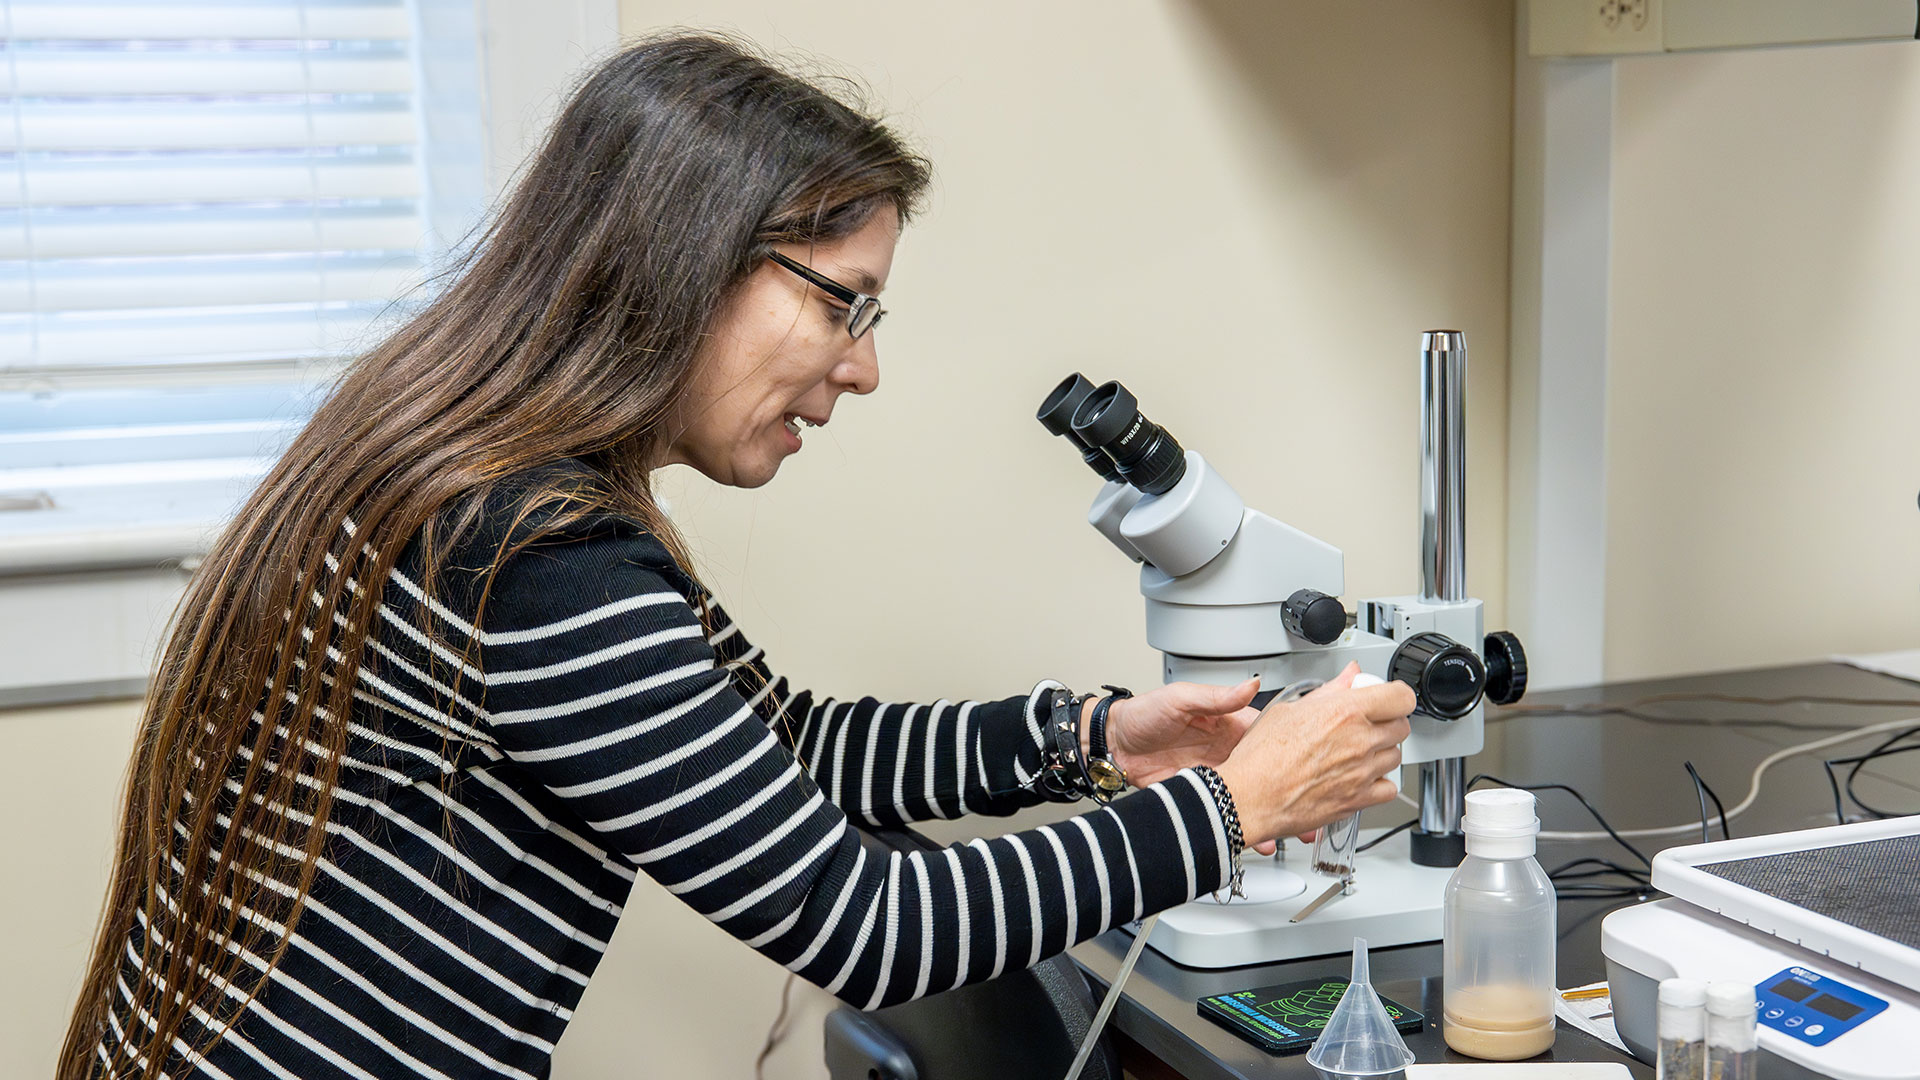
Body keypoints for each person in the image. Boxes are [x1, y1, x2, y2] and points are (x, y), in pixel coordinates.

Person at [60, 33, 1413, 1080]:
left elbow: (779, 746)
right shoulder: (532, 553)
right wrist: (1236, 812)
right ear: (688, 254)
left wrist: (1097, 737)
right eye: (845, 304)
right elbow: (863, 923)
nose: (866, 367)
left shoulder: (466, 464)